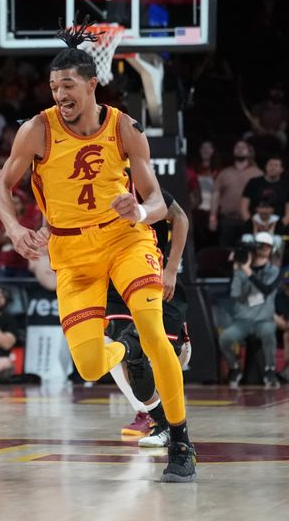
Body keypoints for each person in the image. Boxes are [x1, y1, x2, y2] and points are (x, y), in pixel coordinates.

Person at [0, 20, 196, 482]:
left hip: (125, 238)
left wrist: (140, 212)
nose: (58, 94)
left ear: (91, 84)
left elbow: (161, 202)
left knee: (151, 329)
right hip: (71, 252)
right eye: (52, 87)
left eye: (67, 86)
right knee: (86, 366)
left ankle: (180, 442)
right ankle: (120, 354)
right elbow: (2, 187)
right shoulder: (35, 130)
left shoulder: (125, 127)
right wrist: (13, 227)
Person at [104, 190, 192, 448]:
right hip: (114, 282)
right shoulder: (87, 183)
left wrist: (172, 269)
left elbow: (180, 218)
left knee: (159, 351)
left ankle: (170, 422)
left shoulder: (138, 181)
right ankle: (157, 418)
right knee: (123, 349)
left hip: (154, 273)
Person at [219, 232, 280, 389]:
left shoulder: (273, 271)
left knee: (268, 332)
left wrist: (248, 272)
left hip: (263, 319)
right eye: (260, 246)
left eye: (267, 246)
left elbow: (267, 289)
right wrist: (237, 271)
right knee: (225, 338)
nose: (263, 249)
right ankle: (234, 368)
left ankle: (270, 370)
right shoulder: (242, 268)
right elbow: (235, 294)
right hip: (243, 320)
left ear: (272, 249)